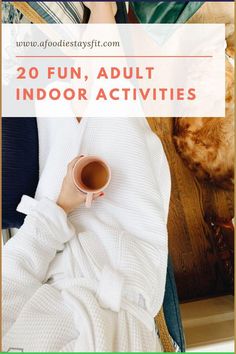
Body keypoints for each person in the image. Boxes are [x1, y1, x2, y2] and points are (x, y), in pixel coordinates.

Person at [3, 3, 171, 352]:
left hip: (55, 246)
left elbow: (12, 279)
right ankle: (104, 14)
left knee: (63, 116)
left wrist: (60, 205)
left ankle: (82, 30)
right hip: (131, 266)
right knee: (111, 114)